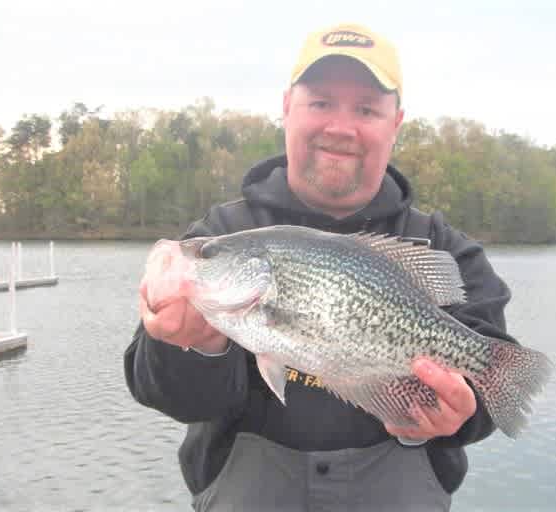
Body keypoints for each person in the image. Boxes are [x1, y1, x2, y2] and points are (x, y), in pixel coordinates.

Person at [124, 22, 516, 512]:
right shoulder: (223, 232)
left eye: (367, 108)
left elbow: (488, 388)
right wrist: (189, 346)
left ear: (395, 124)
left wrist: (465, 413)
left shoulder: (441, 247)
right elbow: (162, 393)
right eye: (322, 102)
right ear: (288, 107)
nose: (341, 126)